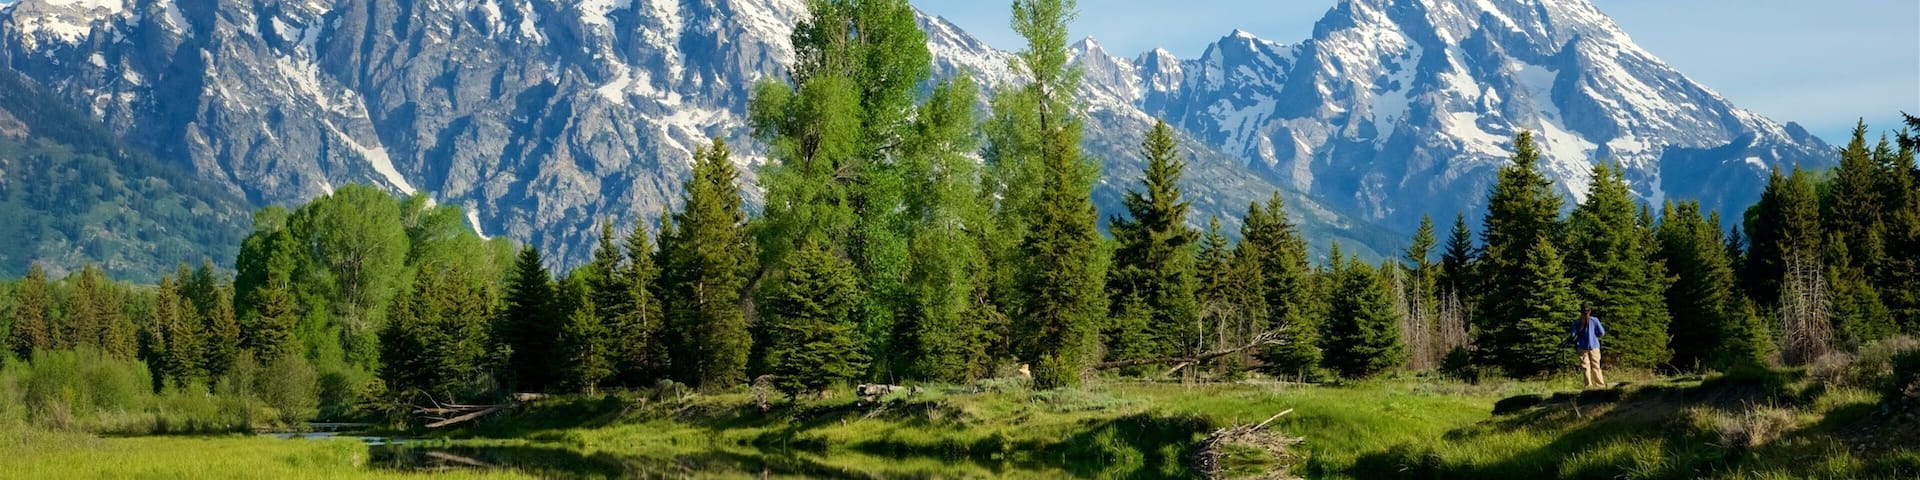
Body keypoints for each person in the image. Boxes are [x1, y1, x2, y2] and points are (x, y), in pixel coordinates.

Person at [1571, 306, 1607, 388]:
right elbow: (1601, 332)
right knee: (1596, 366)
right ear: (1590, 311)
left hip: (1582, 347)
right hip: (1594, 346)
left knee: (1585, 367)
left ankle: (1588, 386)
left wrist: (1568, 341)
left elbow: (1573, 336)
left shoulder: (1577, 322)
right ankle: (1600, 385)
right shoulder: (1594, 320)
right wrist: (1595, 336)